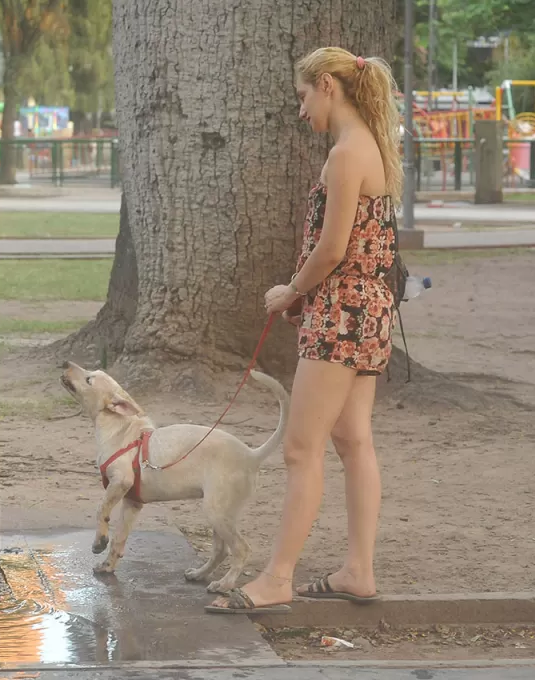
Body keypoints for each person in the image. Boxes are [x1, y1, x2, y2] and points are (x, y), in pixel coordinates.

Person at [206, 47, 401, 614]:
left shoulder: (345, 155)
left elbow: (333, 248)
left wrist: (290, 291)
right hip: (369, 312)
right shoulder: (375, 150)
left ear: (327, 86)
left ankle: (276, 579)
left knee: (300, 448)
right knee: (352, 439)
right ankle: (358, 570)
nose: (301, 111)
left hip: (340, 314)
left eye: (303, 97)